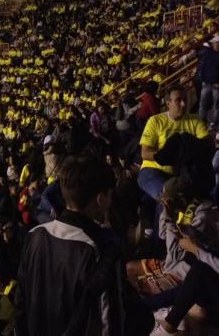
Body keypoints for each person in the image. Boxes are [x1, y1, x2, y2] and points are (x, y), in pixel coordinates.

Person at [16, 156, 153, 336]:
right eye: (110, 194)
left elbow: (20, 305)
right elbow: (110, 323)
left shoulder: (35, 235)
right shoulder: (101, 250)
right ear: (101, 199)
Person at [138, 86, 209, 234]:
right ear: (168, 103)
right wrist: (166, 156)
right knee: (167, 200)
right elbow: (145, 153)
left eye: (185, 100)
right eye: (178, 100)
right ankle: (160, 247)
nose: (183, 104)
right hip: (153, 170)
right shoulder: (155, 121)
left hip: (179, 175)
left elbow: (206, 145)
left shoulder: (195, 120)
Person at [197, 36, 219, 123]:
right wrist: (202, 80)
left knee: (216, 105)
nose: (215, 44)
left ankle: (213, 123)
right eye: (214, 43)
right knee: (203, 104)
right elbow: (202, 66)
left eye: (216, 43)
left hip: (216, 84)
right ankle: (200, 121)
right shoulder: (207, 53)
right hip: (206, 83)